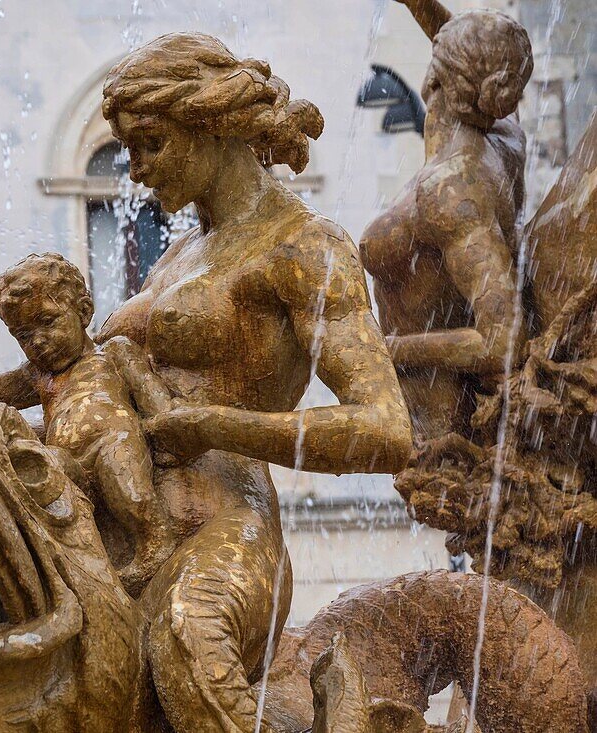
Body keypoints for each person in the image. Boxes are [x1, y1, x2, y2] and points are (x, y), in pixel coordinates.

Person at [93, 32, 411, 730]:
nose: (138, 170)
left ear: (209, 124)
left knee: (186, 640)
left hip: (228, 531)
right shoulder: (178, 255)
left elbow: (386, 428)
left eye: (151, 143)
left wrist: (214, 425)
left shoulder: (304, 246)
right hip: (130, 515)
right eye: (128, 151)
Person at [360, 0, 533, 441]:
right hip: (434, 409)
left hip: (445, 424)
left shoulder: (449, 189)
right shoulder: (503, 135)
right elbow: (480, 55)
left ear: (433, 77)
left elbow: (505, 342)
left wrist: (386, 348)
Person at [0, 252, 177, 594]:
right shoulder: (37, 376)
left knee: (127, 485)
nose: (39, 341)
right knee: (43, 471)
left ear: (84, 313)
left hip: (112, 441)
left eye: (48, 321)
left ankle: (154, 543)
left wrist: (166, 426)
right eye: (23, 335)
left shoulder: (114, 352)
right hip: (68, 458)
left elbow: (155, 402)